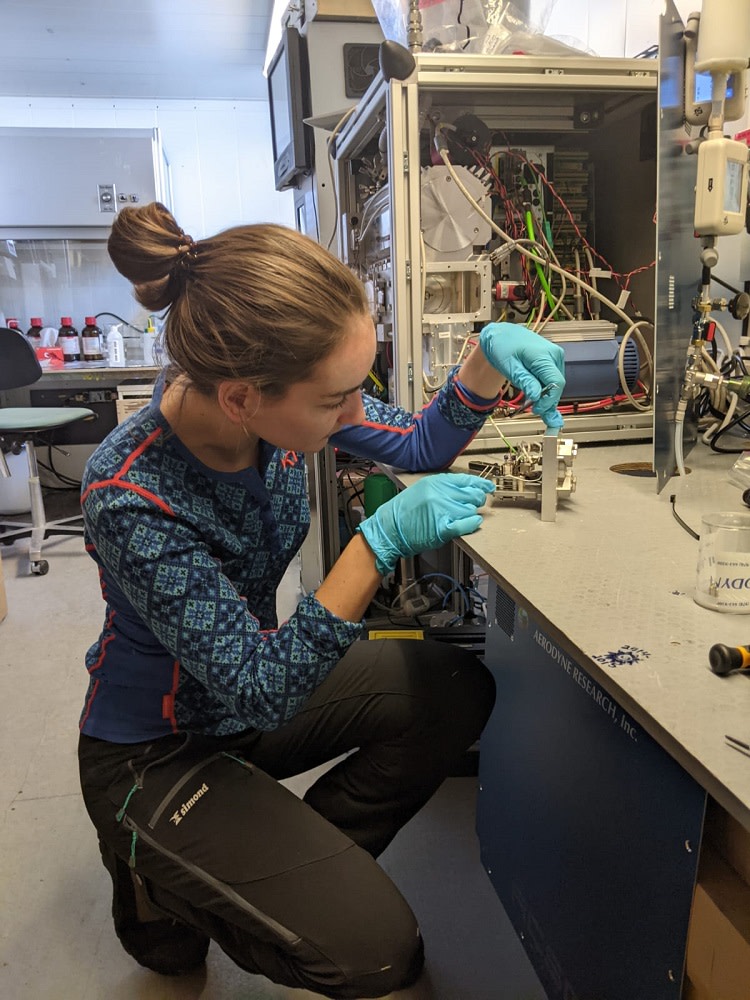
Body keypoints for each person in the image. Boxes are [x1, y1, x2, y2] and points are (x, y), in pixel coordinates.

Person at [77, 202, 565, 998]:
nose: (353, 415)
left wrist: (482, 364)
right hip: (155, 748)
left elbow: (416, 442)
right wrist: (373, 545)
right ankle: (168, 886)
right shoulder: (128, 492)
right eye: (335, 400)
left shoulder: (277, 399)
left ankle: (286, 868)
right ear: (240, 399)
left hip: (247, 702)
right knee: (376, 954)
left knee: (450, 687)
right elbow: (261, 687)